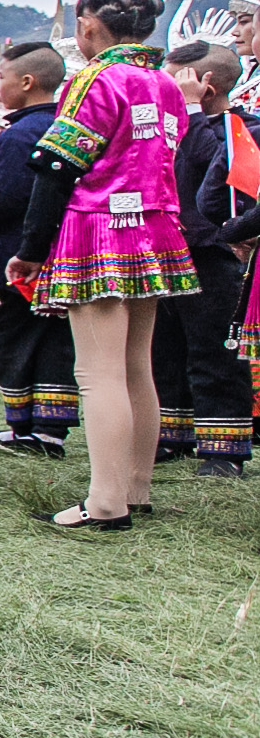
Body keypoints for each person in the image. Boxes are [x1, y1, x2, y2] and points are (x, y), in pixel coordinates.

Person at [6, 0, 194, 529]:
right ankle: (134, 489)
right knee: (138, 365)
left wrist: (31, 250)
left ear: (88, 26)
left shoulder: (97, 78)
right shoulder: (162, 82)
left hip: (100, 230)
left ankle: (105, 503)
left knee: (100, 372)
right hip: (155, 228)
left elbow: (58, 167)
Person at [0, 41, 79, 457]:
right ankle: (50, 430)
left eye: (1, 78)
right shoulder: (64, 125)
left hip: (16, 250)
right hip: (60, 249)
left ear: (27, 82)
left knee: (11, 333)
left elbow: (3, 200)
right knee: (53, 337)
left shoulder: (20, 135)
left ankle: (23, 427)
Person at [149, 39, 250, 475]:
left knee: (213, 353)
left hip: (212, 254)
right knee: (164, 350)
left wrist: (191, 112)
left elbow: (214, 168)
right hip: (166, 252)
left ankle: (223, 451)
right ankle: (173, 435)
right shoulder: (163, 125)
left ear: (203, 85)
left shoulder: (243, 127)